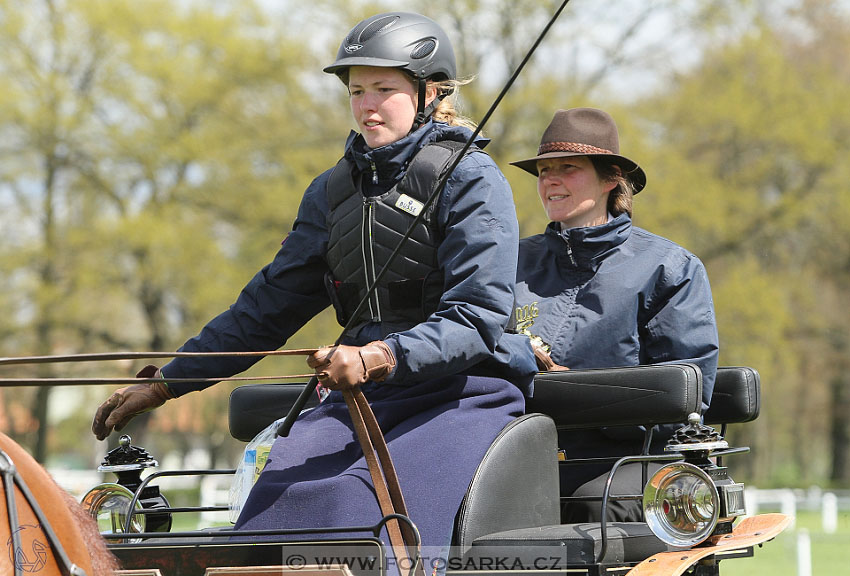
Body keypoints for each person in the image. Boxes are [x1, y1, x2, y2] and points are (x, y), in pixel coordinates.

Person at [90, 10, 536, 568]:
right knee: (278, 509)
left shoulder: (472, 179)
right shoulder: (331, 192)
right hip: (363, 393)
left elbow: (478, 316)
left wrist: (379, 355)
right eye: (356, 91)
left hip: (462, 390)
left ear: (430, 93)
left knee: (368, 517)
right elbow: (267, 306)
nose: (367, 104)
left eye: (384, 89)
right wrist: (170, 383)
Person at [506, 107, 719, 522]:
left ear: (610, 179)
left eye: (568, 168)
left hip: (623, 458)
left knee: (592, 503)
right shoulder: (510, 263)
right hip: (514, 447)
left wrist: (581, 397)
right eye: (545, 169)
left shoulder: (669, 268)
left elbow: (686, 397)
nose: (550, 179)